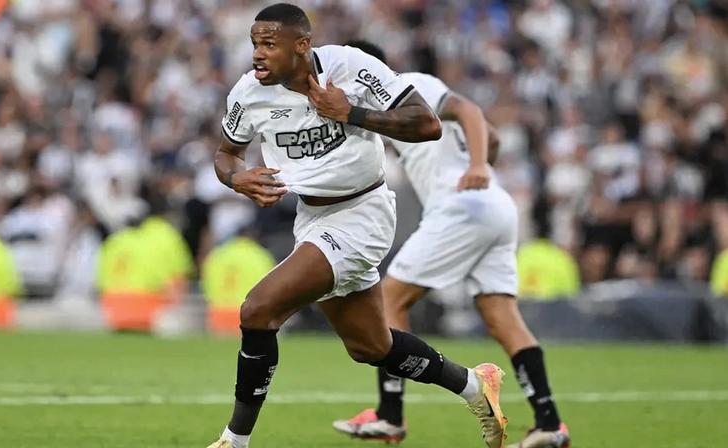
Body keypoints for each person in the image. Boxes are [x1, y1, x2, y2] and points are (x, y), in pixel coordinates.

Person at [207, 4, 507, 448]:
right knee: (371, 347)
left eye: (269, 43)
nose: (257, 54)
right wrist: (237, 178)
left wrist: (352, 113)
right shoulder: (248, 94)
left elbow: (427, 125)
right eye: (255, 43)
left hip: (362, 213)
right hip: (311, 218)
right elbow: (225, 153)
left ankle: (234, 441)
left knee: (257, 309)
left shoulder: (352, 66)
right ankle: (473, 385)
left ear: (302, 45)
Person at [331, 41, 570, 448]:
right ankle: (549, 423)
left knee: (389, 302)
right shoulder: (381, 113)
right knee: (501, 318)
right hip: (493, 205)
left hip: (461, 207)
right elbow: (490, 137)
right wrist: (478, 163)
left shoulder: (408, 85)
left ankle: (390, 416)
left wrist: (476, 166)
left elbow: (471, 112)